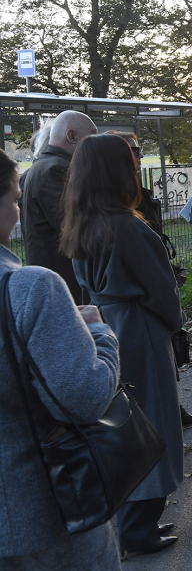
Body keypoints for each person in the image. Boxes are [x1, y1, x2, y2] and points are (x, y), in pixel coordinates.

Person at [61, 134, 184, 556]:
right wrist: (175, 325)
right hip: (138, 326)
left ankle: (132, 518)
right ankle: (139, 527)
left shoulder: (82, 222)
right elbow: (161, 290)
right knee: (154, 421)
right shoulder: (130, 226)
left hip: (103, 321)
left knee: (123, 423)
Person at [0, 148, 122, 569]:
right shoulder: (29, 289)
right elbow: (84, 399)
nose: (18, 213)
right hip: (41, 518)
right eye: (15, 200)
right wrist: (98, 333)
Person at [109, 131, 192, 427]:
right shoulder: (121, 212)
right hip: (140, 310)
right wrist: (174, 316)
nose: (138, 155)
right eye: (132, 150)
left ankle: (169, 406)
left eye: (138, 149)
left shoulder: (127, 197)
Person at [19, 110, 98, 303]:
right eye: (92, 136)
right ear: (72, 136)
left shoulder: (44, 166)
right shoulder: (56, 170)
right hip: (65, 282)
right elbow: (75, 227)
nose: (96, 143)